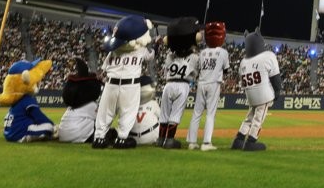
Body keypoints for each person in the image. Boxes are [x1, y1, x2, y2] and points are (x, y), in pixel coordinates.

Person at [92, 15, 154, 149]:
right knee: (128, 112)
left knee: (105, 111)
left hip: (111, 84)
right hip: (130, 85)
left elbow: (104, 68)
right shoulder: (141, 50)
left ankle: (99, 138)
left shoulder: (113, 51)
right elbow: (151, 55)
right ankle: (121, 139)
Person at [233, 30, 281, 151]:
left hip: (250, 93)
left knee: (249, 117)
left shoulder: (243, 61)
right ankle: (251, 141)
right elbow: (275, 78)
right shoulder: (268, 56)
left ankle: (238, 140)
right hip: (263, 94)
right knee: (258, 118)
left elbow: (242, 79)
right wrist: (277, 91)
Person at [158, 17, 200, 149]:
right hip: (183, 85)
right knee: (175, 113)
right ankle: (169, 140)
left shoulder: (170, 56)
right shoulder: (194, 57)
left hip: (168, 84)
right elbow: (195, 73)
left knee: (164, 113)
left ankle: (160, 139)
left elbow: (167, 67)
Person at [188, 21, 230, 151]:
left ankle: (192, 142)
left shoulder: (202, 52)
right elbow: (227, 70)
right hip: (213, 84)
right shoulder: (223, 52)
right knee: (210, 114)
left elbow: (198, 69)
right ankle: (206, 143)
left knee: (196, 113)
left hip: (202, 83)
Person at [59, 58, 102, 143]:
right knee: (101, 129)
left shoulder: (69, 108)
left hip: (62, 135)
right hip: (78, 136)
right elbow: (101, 120)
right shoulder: (91, 105)